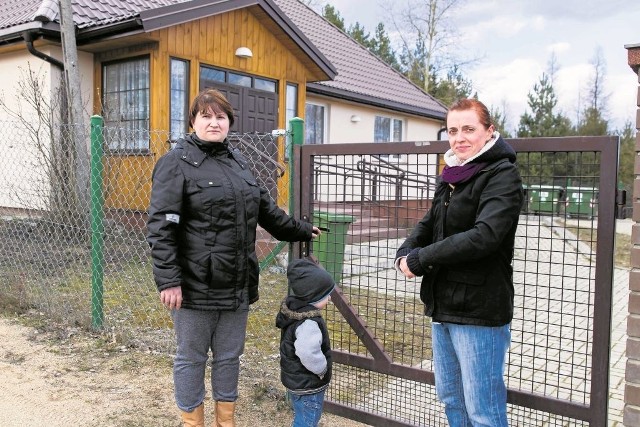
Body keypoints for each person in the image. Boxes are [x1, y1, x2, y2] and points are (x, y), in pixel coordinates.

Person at [146, 89, 321, 427]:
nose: (214, 123)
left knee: (229, 357)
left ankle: (226, 422)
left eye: (221, 117)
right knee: (191, 358)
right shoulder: (175, 162)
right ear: (193, 121)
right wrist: (169, 279)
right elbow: (161, 226)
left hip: (237, 281)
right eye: (206, 116)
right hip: (195, 285)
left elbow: (266, 210)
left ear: (229, 123)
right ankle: (192, 422)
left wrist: (300, 230)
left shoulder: (238, 161)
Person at [395, 98, 523, 426]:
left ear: (489, 132)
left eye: (469, 129)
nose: (459, 137)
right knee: (452, 399)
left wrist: (422, 259)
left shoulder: (502, 174)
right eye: (453, 130)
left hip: (479, 310)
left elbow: (485, 235)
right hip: (443, 305)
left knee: (483, 410)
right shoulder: (451, 173)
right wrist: (406, 250)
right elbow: (430, 221)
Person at [275, 257, 336, 427]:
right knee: (308, 421)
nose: (330, 298)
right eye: (326, 295)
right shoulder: (308, 323)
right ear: (313, 296)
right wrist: (321, 369)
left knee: (302, 416)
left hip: (298, 382)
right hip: (308, 384)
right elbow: (307, 353)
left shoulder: (295, 310)